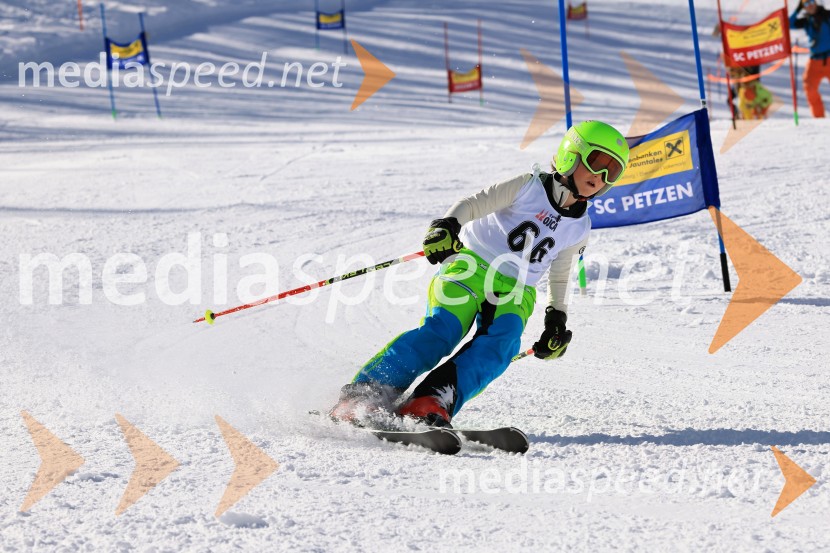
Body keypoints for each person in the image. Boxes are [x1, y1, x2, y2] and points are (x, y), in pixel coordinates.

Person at [330, 121, 630, 427]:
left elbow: (561, 275)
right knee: (443, 330)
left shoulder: (580, 227)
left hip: (517, 290)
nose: (601, 176)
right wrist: (446, 226)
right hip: (473, 266)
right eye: (597, 162)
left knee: (500, 347)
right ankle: (366, 393)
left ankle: (431, 400)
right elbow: (473, 204)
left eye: (613, 171)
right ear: (571, 155)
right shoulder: (528, 187)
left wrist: (556, 318)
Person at [790, 0, 830, 117]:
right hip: (815, 61)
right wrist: (797, 10)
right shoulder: (806, 20)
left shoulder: (827, 15)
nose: (810, 5)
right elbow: (789, 23)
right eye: (806, 4)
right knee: (809, 88)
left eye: (811, 1)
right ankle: (819, 119)